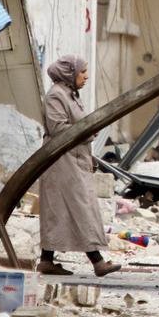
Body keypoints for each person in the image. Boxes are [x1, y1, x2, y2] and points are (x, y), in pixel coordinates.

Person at [37, 56, 120, 277]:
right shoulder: (56, 95)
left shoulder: (70, 94)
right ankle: (98, 262)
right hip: (62, 162)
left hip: (74, 159)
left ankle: (46, 260)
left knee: (60, 210)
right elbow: (58, 129)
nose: (86, 76)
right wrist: (87, 132)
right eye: (82, 72)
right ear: (69, 73)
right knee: (81, 208)